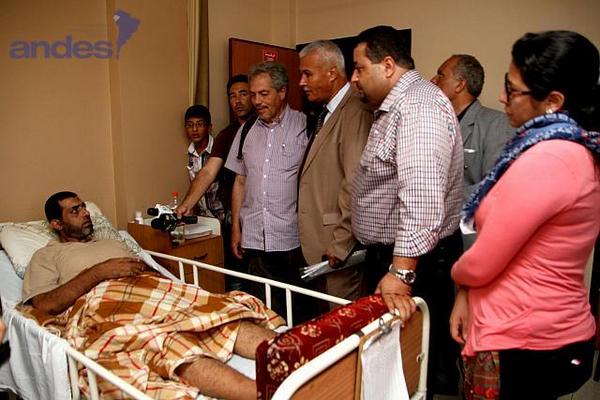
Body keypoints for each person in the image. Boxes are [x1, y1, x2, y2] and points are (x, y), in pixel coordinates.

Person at [450, 30, 600, 399]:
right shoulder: (555, 146)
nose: (502, 97)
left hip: (530, 338)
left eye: (512, 89)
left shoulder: (551, 158)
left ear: (553, 101)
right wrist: (466, 293)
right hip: (534, 325)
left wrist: (459, 276)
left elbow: (484, 259)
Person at [23, 191, 284, 400]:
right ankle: (267, 395)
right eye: (75, 211)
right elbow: (44, 304)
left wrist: (168, 283)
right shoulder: (47, 255)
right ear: (57, 224)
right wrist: (99, 272)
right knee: (164, 340)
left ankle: (293, 358)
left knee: (221, 314)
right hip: (106, 301)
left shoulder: (111, 242)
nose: (85, 213)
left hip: (152, 289)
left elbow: (149, 270)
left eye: (83, 207)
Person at [350, 25, 464, 398]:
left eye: (359, 68)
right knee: (396, 365)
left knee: (411, 368)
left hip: (413, 264)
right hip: (399, 258)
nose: (354, 79)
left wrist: (401, 272)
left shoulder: (418, 107)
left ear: (387, 65)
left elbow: (422, 197)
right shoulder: (398, 106)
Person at [224, 62, 315, 323]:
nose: (256, 101)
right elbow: (240, 181)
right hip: (254, 239)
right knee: (263, 312)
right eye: (253, 94)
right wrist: (236, 228)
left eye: (264, 94)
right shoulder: (246, 131)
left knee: (298, 313)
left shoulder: (306, 126)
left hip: (293, 240)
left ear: (282, 91)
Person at [297, 40, 372, 303]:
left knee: (344, 323)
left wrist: (341, 244)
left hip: (338, 248)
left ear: (332, 73)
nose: (301, 82)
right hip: (320, 248)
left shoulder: (355, 110)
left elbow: (355, 182)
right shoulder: (326, 112)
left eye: (307, 74)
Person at [177, 75, 255, 290]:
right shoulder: (226, 135)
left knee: (266, 280)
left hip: (263, 216)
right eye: (232, 96)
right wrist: (184, 207)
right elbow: (207, 173)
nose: (237, 100)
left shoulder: (263, 127)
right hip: (232, 219)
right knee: (237, 277)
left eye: (243, 94)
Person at [431, 54, 514, 201]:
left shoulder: (496, 123)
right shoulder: (432, 121)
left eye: (441, 75)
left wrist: (439, 199)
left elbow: (494, 184)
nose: (433, 80)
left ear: (460, 85)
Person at [183, 105, 225, 221]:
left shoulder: (219, 149)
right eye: (190, 125)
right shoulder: (190, 154)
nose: (194, 129)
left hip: (223, 218)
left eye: (199, 124)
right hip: (203, 219)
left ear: (209, 127)